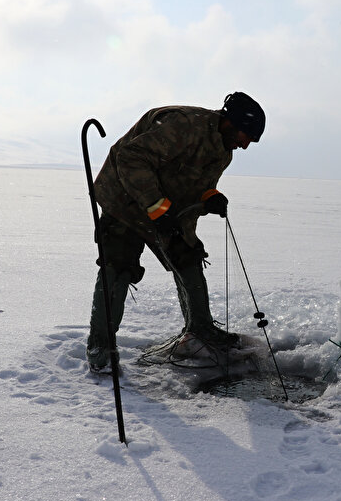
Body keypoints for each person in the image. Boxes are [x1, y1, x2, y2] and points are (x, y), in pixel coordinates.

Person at [86, 92, 266, 373]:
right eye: (246, 137)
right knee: (118, 267)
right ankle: (100, 348)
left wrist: (210, 196)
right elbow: (130, 158)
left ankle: (200, 333)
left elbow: (195, 185)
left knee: (188, 257)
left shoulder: (224, 150)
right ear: (231, 122)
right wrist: (156, 207)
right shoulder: (183, 125)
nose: (244, 146)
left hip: (165, 208)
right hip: (125, 200)